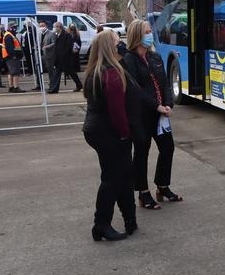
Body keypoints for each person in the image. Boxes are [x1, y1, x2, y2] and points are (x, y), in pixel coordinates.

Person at [82, 30, 137, 241]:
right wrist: (124, 135)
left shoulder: (95, 70)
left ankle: (128, 219)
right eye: (117, 42)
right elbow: (117, 112)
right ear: (109, 47)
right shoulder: (112, 73)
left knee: (119, 176)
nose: (120, 44)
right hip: (109, 133)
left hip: (96, 131)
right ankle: (101, 224)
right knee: (113, 180)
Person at [121, 19, 180, 210]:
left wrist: (168, 103)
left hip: (161, 114)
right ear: (137, 35)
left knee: (168, 147)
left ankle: (162, 186)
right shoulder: (128, 60)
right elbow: (136, 90)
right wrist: (156, 106)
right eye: (146, 31)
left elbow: (164, 83)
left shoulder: (154, 57)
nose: (149, 35)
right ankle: (143, 192)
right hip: (141, 115)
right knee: (141, 152)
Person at [49, 22, 82, 93]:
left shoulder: (66, 35)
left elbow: (68, 46)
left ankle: (79, 84)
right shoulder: (57, 35)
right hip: (59, 59)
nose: (55, 28)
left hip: (66, 59)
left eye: (56, 27)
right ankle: (54, 88)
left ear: (59, 27)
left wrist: (63, 54)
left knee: (72, 73)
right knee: (57, 73)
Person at [2, 23, 25, 93]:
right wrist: (13, 56)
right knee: (15, 72)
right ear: (11, 27)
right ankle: (16, 87)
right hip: (12, 57)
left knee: (11, 72)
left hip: (10, 57)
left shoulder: (9, 34)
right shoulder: (9, 35)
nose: (15, 29)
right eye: (14, 27)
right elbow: (9, 47)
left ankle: (11, 87)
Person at [23, 20, 43, 91]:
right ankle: (38, 84)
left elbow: (34, 40)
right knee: (36, 69)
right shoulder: (32, 30)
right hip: (33, 49)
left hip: (36, 50)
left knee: (38, 68)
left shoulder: (34, 30)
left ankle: (40, 85)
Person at [40, 21, 57, 89]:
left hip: (50, 55)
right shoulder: (40, 34)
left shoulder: (51, 34)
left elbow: (54, 43)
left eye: (42, 26)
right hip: (42, 54)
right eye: (40, 26)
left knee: (50, 70)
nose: (41, 27)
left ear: (46, 26)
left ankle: (52, 83)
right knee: (45, 69)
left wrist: (47, 47)